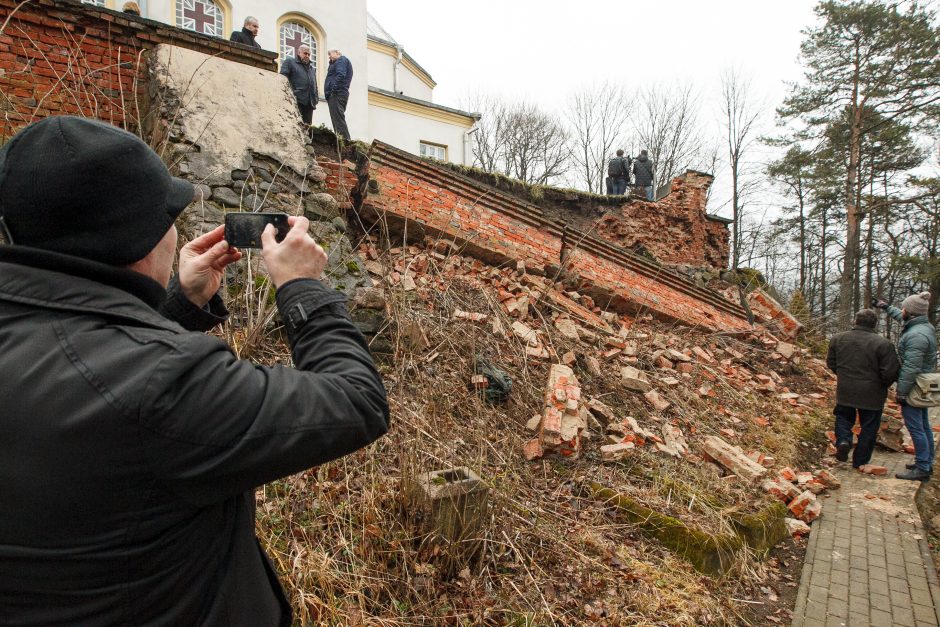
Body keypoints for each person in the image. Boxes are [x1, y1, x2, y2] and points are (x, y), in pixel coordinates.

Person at [0, 116, 389, 624]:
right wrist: (301, 287)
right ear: (135, 237)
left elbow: (85, 369)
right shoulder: (170, 383)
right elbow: (356, 399)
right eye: (167, 215)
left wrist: (174, 303)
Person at [826, 309, 900, 468]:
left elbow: (831, 363)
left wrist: (844, 376)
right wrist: (882, 384)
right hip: (873, 393)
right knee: (869, 426)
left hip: (846, 389)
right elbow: (890, 371)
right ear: (875, 324)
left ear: (855, 321)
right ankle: (860, 460)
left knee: (843, 417)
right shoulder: (884, 344)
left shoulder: (838, 339)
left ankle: (844, 440)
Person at [875, 292, 938, 481]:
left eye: (903, 308)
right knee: (924, 425)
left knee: (916, 427)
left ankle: (922, 468)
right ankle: (925, 461)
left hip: (915, 385)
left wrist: (902, 392)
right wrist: (885, 307)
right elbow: (901, 316)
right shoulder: (921, 326)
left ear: (910, 312)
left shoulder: (916, 336)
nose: (901, 310)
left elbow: (911, 367)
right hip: (921, 383)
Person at [280, 44, 319, 129]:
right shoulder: (290, 62)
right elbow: (283, 78)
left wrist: (316, 98)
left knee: (307, 128)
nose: (307, 56)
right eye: (305, 53)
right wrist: (291, 93)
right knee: (294, 126)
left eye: (309, 54)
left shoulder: (312, 69)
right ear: (299, 52)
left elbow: (315, 84)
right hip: (296, 99)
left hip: (310, 102)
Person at [324, 49, 353, 141]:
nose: (329, 56)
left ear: (337, 53)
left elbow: (341, 75)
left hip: (337, 93)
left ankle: (344, 140)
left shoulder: (341, 60)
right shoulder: (337, 62)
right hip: (337, 93)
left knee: (338, 118)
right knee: (337, 118)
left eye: (330, 54)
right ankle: (341, 139)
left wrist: (333, 89)